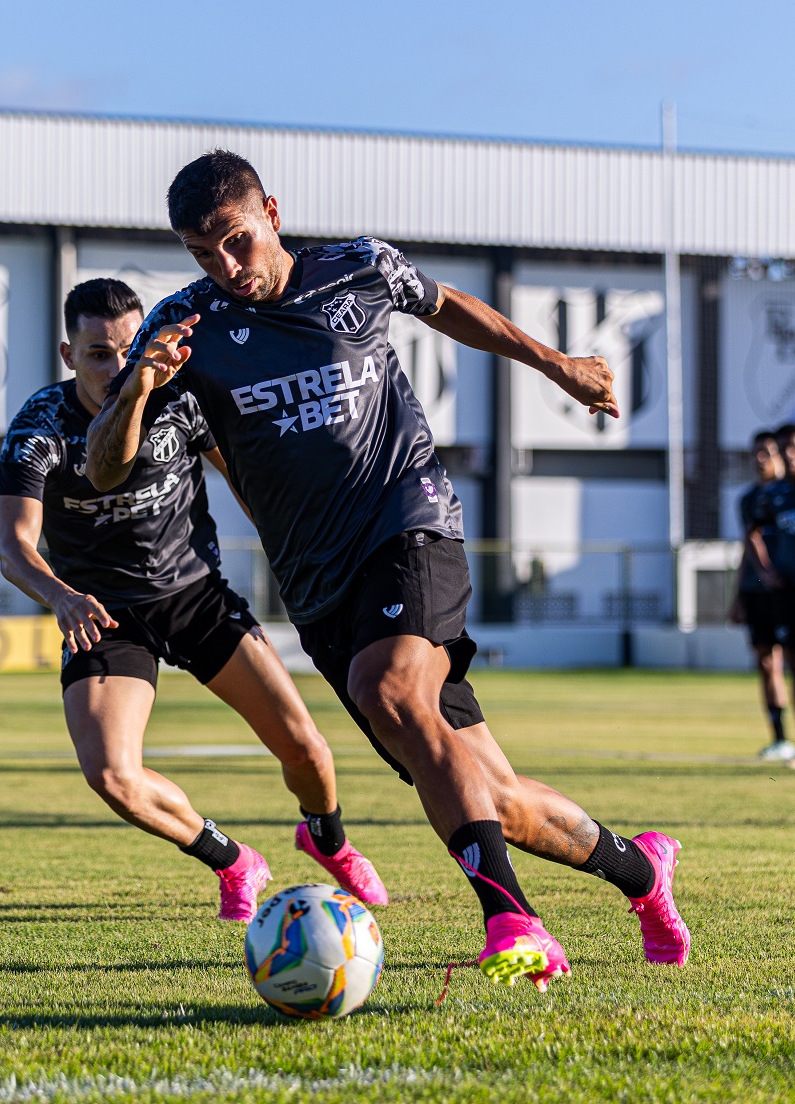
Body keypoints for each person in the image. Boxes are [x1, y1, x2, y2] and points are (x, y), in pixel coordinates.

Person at [86, 153, 690, 991]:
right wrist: (136, 391)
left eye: (236, 241)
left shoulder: (357, 267)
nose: (226, 267)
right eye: (202, 254)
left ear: (271, 210)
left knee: (393, 692)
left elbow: (451, 310)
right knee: (492, 793)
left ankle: (513, 922)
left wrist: (559, 366)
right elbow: (106, 471)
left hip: (409, 522)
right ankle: (641, 872)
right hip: (319, 585)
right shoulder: (181, 329)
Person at [0, 277, 386, 923]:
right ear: (68, 355)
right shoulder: (40, 427)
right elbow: (14, 549)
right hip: (102, 616)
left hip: (195, 597)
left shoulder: (181, 401)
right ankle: (232, 860)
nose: (116, 367)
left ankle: (326, 839)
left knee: (308, 751)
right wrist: (61, 598)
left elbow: (249, 485)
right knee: (113, 776)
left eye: (127, 348)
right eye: (96, 353)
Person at [731, 430, 795, 760]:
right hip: (757, 591)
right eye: (755, 453)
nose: (761, 459)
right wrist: (737, 594)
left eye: (767, 452)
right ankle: (781, 738)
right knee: (767, 663)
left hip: (789, 591)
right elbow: (747, 546)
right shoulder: (748, 500)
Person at [750, 423, 795, 771]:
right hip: (792, 595)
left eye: (794, 448)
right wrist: (766, 569)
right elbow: (753, 532)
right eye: (783, 448)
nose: (788, 454)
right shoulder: (776, 495)